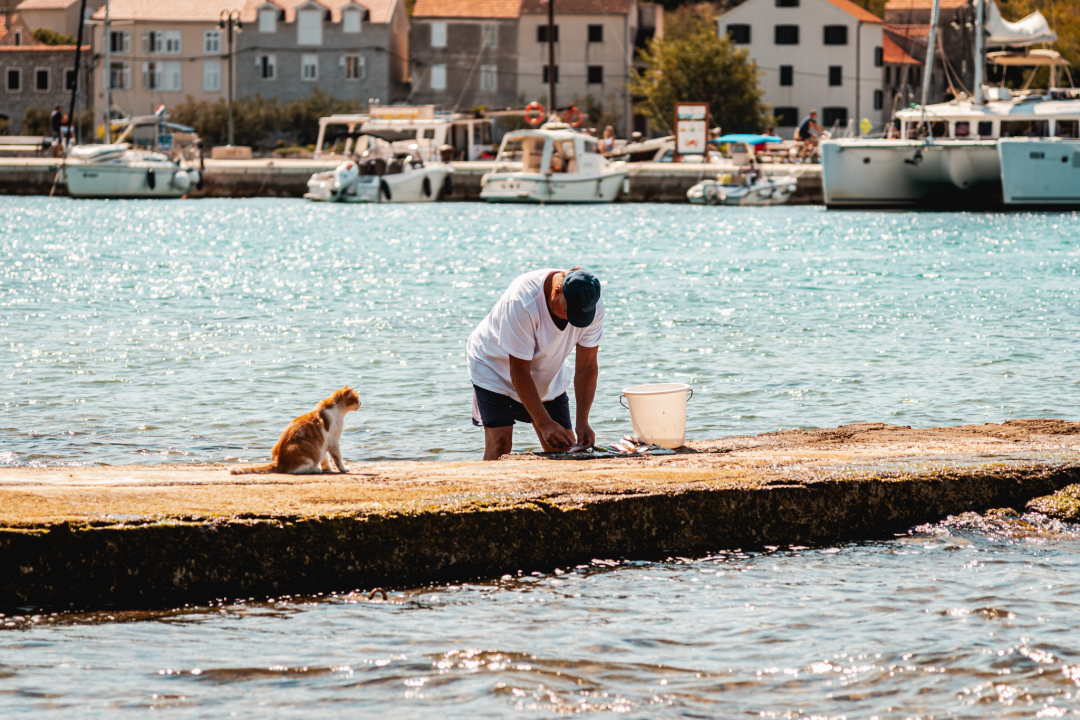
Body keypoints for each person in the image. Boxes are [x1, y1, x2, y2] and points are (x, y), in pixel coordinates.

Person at [467, 267, 603, 460]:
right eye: (569, 312)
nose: (573, 320)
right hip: (495, 367)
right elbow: (519, 372)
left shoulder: (590, 303)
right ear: (556, 292)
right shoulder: (522, 300)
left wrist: (582, 421)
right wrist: (544, 423)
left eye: (581, 317)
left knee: (564, 451)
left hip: (547, 370)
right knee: (500, 444)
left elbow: (587, 367)